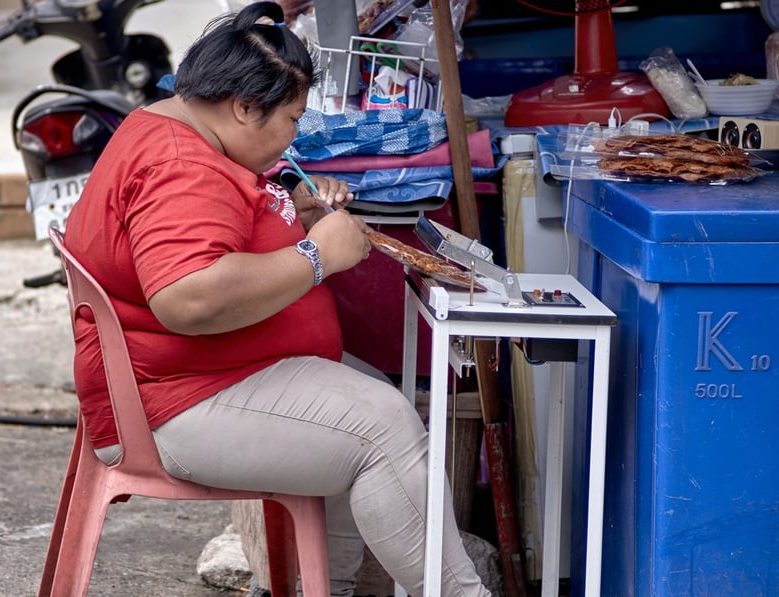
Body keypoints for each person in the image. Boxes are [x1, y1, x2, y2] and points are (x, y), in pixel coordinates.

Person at [62, 3, 490, 596]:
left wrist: (289, 212)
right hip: (173, 403)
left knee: (372, 403)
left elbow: (218, 229)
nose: (295, 135)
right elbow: (187, 298)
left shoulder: (174, 126)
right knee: (383, 428)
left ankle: (330, 587)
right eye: (291, 119)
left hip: (202, 374)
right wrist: (316, 257)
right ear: (242, 106)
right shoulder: (181, 166)